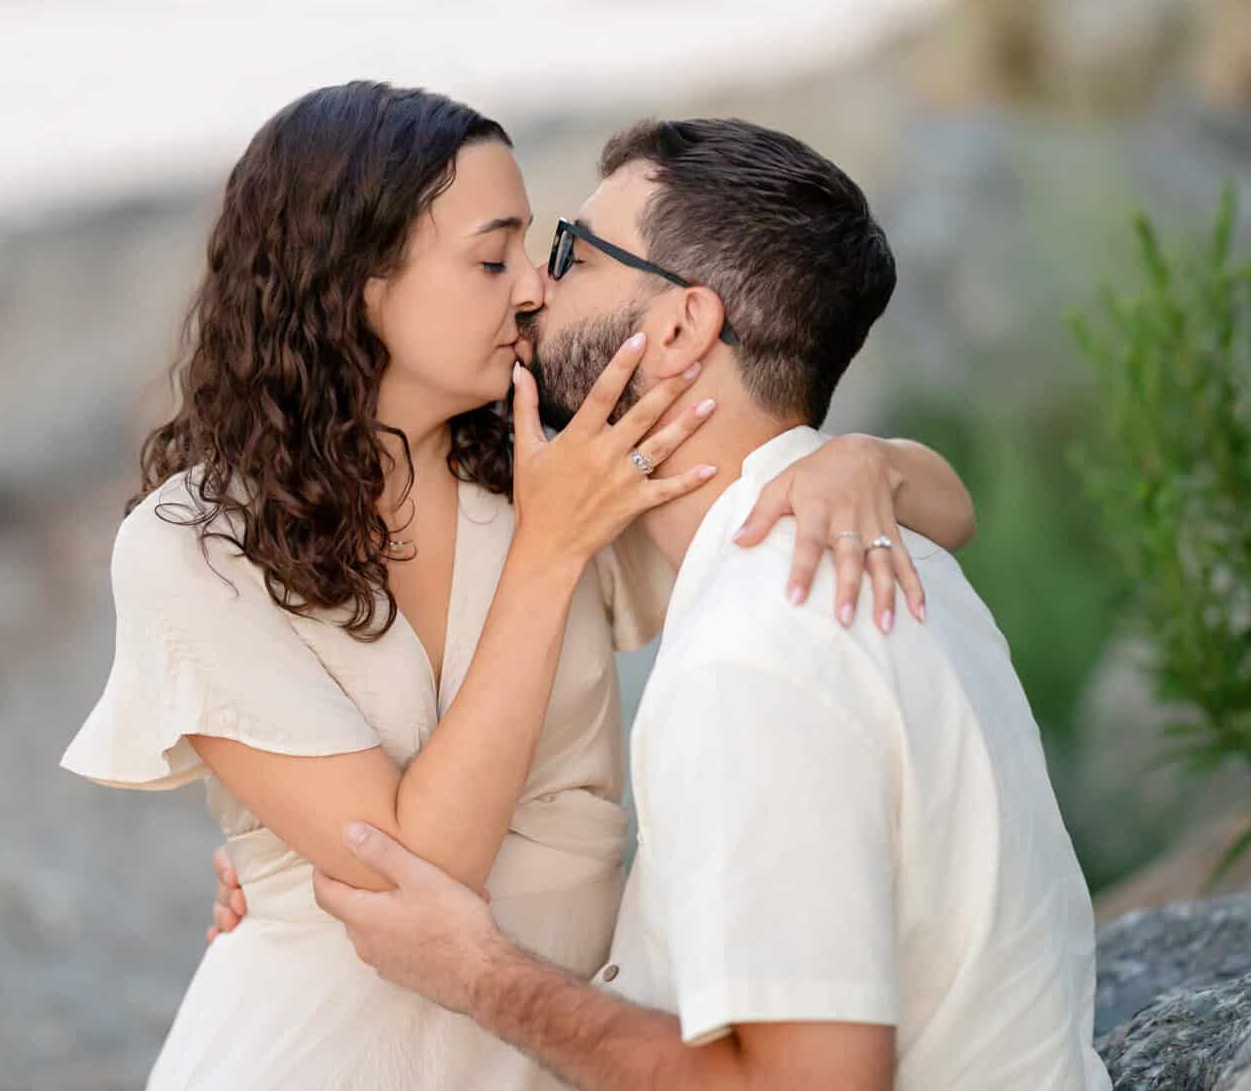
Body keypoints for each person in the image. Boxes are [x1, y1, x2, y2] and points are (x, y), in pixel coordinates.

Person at [61, 82, 977, 1090]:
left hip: (547, 1049)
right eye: (494, 259)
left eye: (539, 255)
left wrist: (862, 465)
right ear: (357, 277)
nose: (535, 290)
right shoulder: (197, 546)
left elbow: (944, 512)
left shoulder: (545, 462)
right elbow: (410, 868)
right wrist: (548, 556)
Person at [306, 117, 1112, 1090]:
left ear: (682, 327)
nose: (534, 289)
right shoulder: (898, 550)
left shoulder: (755, 651)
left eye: (572, 253)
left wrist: (477, 973)